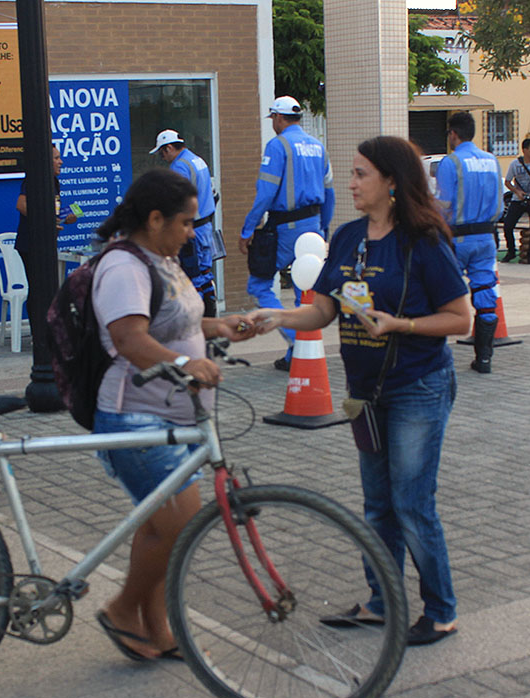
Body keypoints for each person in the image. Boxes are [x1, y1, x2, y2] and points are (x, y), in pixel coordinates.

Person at [249, 136, 470, 646]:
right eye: (351, 173)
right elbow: (325, 309)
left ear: (391, 181)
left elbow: (461, 318)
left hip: (418, 386)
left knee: (412, 504)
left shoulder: (423, 241)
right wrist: (278, 316)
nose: (349, 183)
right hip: (363, 392)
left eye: (360, 174)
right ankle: (381, 602)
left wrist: (401, 325)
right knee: (377, 505)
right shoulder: (348, 238)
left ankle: (441, 611)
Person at [91, 168, 255, 660]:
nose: (192, 233)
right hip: (134, 417)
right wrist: (186, 363)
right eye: (185, 223)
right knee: (178, 525)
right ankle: (123, 610)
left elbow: (174, 319)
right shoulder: (124, 266)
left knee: (163, 527)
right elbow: (130, 339)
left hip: (175, 417)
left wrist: (218, 326)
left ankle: (154, 627)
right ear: (155, 218)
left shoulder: (162, 258)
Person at [239, 96, 334, 371]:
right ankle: (299, 351)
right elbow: (330, 193)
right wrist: (323, 230)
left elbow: (265, 193)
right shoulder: (318, 147)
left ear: (279, 118)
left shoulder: (278, 145)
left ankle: (298, 344)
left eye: (273, 120)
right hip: (313, 226)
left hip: (285, 228)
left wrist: (248, 229)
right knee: (303, 290)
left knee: (258, 283)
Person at [436, 111, 505, 374]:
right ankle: (484, 358)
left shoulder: (451, 163)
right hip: (487, 237)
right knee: (485, 289)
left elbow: (444, 205)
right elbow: (499, 203)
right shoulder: (491, 161)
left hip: (458, 238)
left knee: (441, 292)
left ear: (453, 133)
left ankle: (435, 356)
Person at [150, 129, 218, 316]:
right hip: (205, 226)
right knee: (205, 273)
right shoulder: (198, 160)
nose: (162, 157)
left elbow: (177, 201)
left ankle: (196, 318)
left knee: (192, 275)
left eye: (162, 152)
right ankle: (211, 314)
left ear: (169, 147)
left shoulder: (179, 166)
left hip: (192, 230)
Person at [14, 144, 77, 273]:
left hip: (47, 243)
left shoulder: (54, 181)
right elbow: (21, 205)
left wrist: (64, 218)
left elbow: (51, 212)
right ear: (46, 160)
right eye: (56, 158)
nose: (61, 162)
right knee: (38, 288)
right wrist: (46, 223)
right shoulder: (34, 179)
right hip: (31, 244)